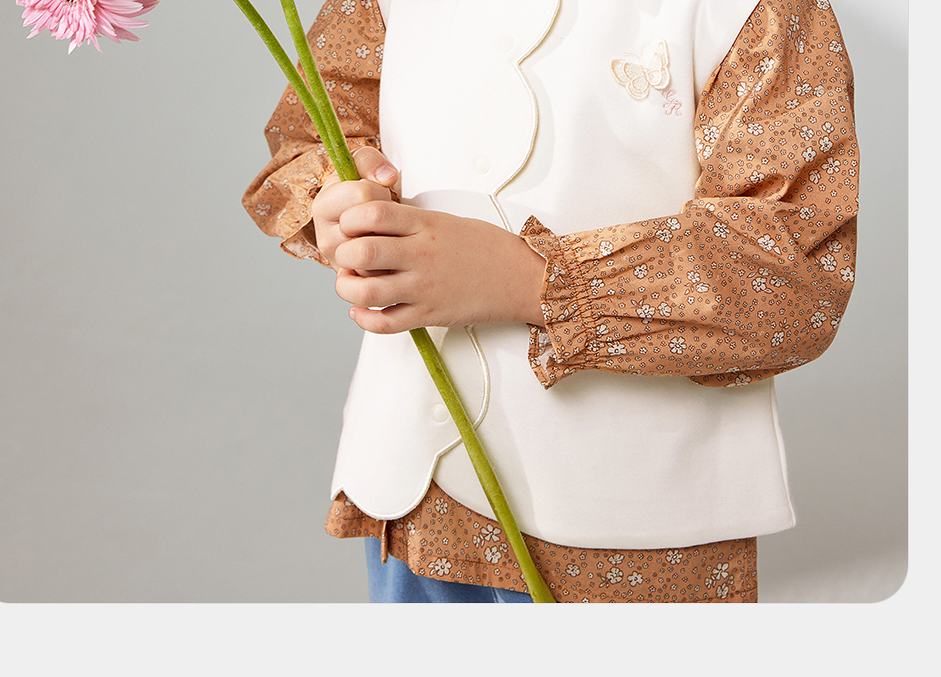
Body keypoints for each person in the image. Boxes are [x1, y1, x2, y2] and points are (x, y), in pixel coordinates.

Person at [243, 0, 858, 603]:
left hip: (627, 538)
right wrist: (340, 198)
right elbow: (315, 128)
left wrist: (530, 280)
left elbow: (795, 271)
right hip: (410, 494)